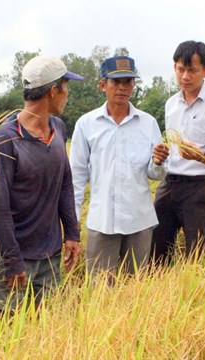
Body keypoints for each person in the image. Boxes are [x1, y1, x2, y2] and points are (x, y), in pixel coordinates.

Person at [0, 55, 83, 311]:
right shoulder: (6, 138)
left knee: (46, 330)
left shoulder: (58, 129)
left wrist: (72, 233)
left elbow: (65, 182)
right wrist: (11, 259)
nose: (67, 94)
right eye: (66, 87)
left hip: (49, 255)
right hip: (15, 255)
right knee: (4, 330)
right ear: (54, 90)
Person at [69, 56, 169, 282]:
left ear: (134, 85)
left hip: (139, 221)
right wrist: (72, 220)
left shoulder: (148, 123)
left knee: (136, 289)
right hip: (102, 220)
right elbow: (76, 176)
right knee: (100, 289)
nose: (123, 87)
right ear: (103, 85)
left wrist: (159, 161)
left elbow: (155, 175)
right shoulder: (87, 124)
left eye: (128, 82)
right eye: (116, 82)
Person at [150, 40, 205, 265]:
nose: (185, 76)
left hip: (199, 188)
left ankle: (194, 296)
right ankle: (158, 294)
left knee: (196, 255)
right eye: (180, 69)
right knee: (156, 248)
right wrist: (161, 153)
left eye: (192, 70)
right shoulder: (171, 104)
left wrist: (199, 156)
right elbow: (172, 143)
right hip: (169, 184)